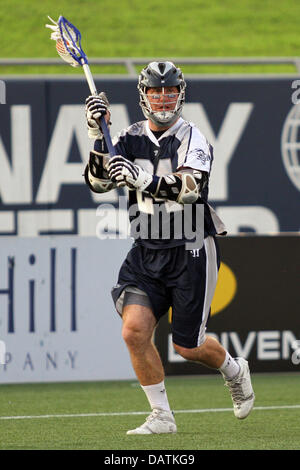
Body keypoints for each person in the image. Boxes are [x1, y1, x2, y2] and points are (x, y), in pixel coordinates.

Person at [84, 61, 255, 435]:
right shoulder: (127, 136)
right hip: (146, 247)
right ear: (143, 95)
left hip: (190, 247)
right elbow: (97, 184)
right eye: (156, 91)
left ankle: (233, 368)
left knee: (188, 347)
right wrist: (100, 135)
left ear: (181, 94)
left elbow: (190, 188)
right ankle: (162, 415)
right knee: (133, 331)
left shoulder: (194, 138)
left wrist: (141, 177)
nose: (163, 98)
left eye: (170, 90)